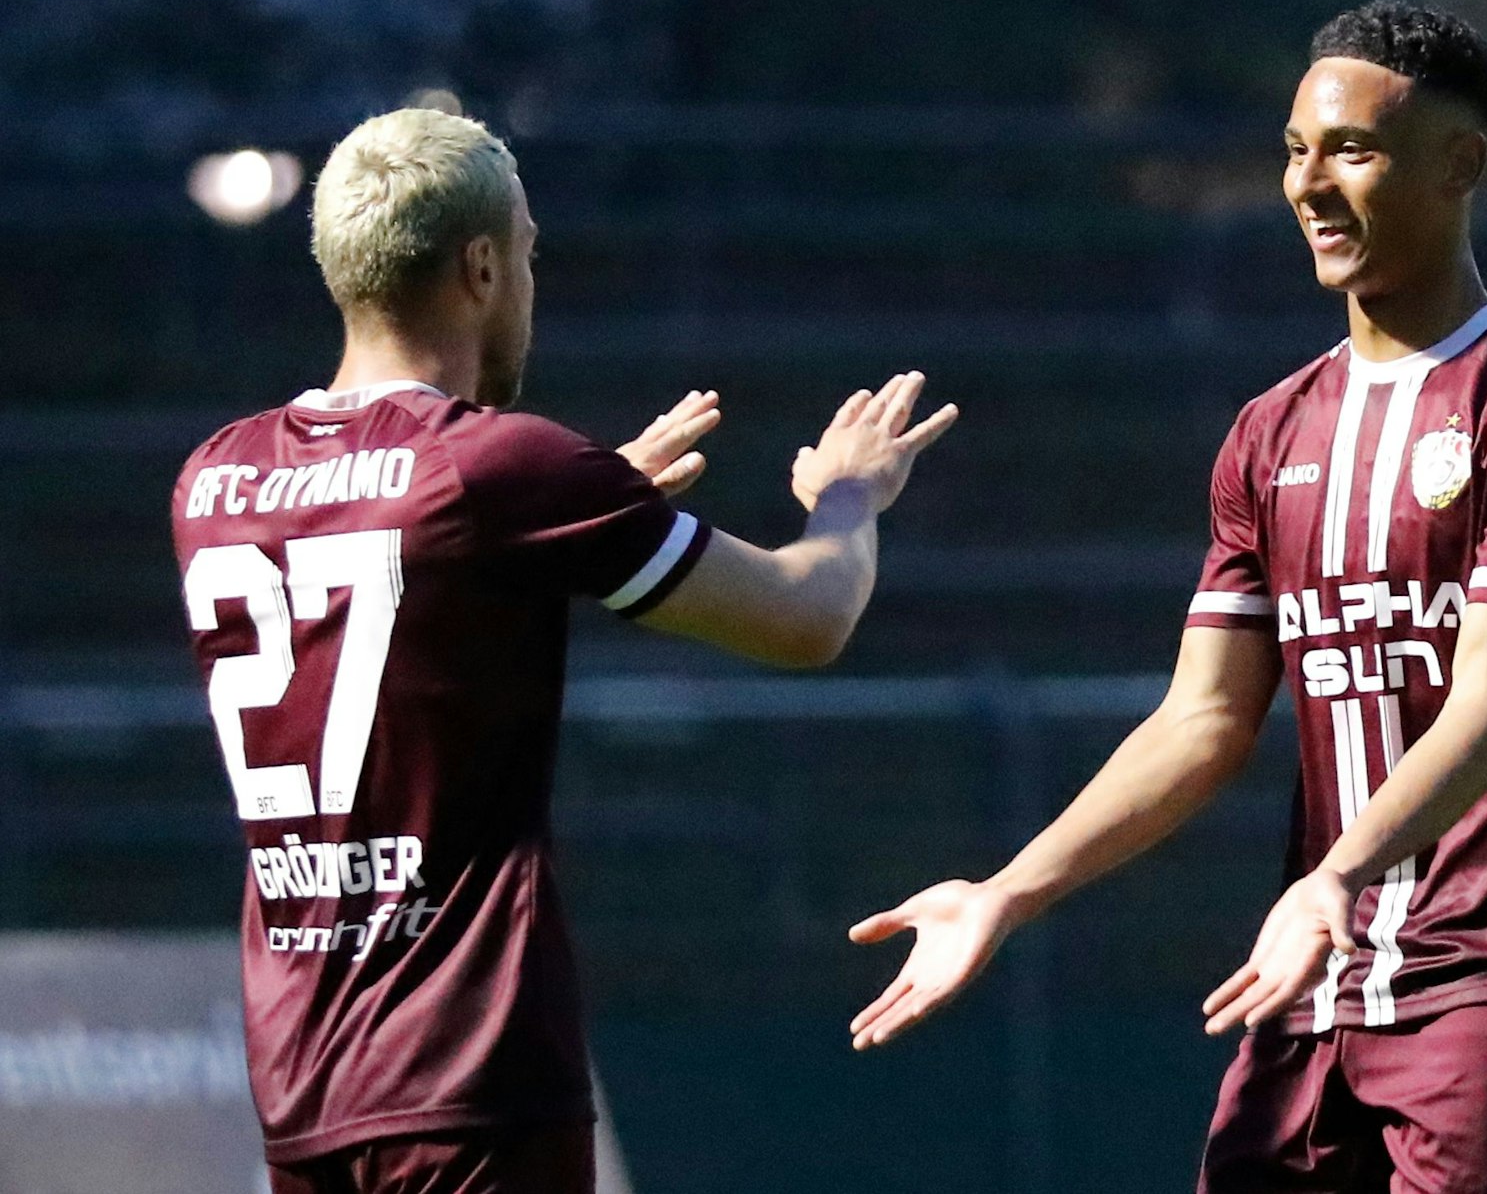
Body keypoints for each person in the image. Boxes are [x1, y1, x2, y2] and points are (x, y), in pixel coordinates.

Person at [847, 0, 1487, 1193]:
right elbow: (1203, 719)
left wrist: (1335, 872)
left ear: (1459, 164)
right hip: (1309, 992)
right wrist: (1005, 893)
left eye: (1352, 151)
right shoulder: (1270, 433)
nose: (1309, 185)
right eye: (1293, 150)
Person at [170, 107, 956, 1194]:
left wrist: (573, 504)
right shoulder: (498, 471)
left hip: (304, 1091)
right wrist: (849, 496)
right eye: (530, 251)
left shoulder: (214, 478)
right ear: (483, 265)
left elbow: (404, 567)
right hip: (469, 1082)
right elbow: (806, 615)